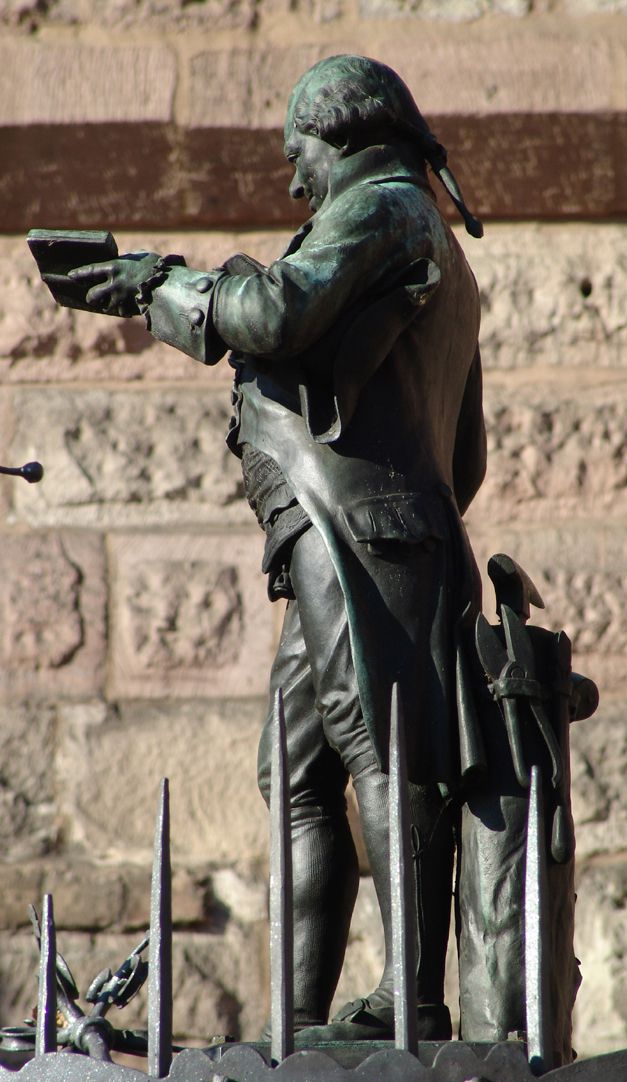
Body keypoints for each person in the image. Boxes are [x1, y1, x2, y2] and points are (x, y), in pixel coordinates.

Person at [70, 54, 487, 1042]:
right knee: (295, 768)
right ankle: (298, 1020)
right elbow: (464, 455)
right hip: (352, 532)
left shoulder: (383, 205)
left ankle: (413, 1001)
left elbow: (268, 312)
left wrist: (156, 285)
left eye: (296, 151)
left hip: (356, 529)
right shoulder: (440, 247)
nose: (294, 178)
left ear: (335, 132)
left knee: (381, 746)